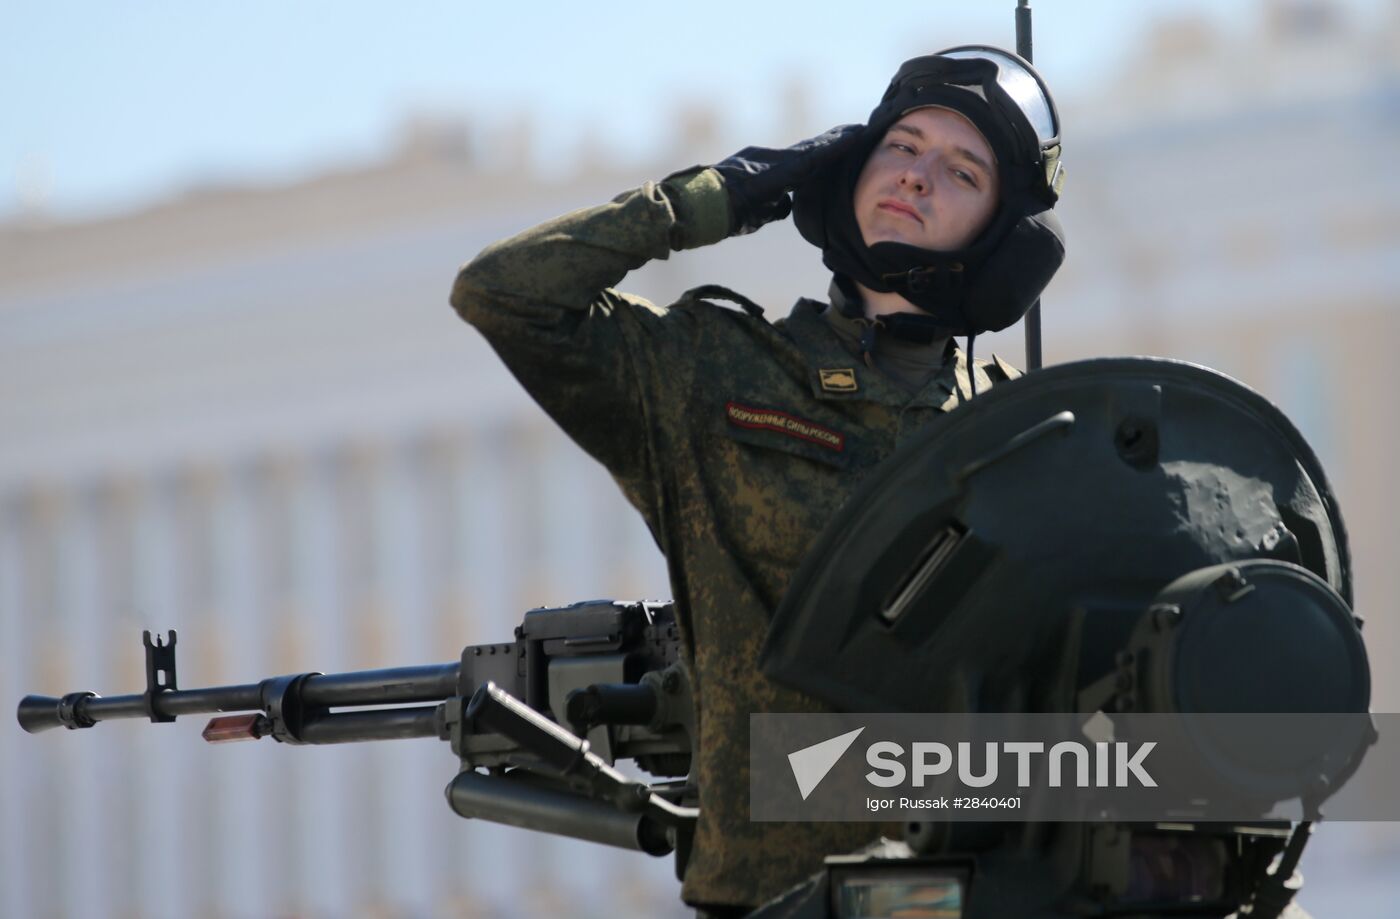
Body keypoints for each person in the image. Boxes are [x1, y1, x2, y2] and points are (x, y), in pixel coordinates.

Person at [451, 46, 1066, 915]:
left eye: (962, 171)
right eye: (901, 145)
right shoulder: (713, 371)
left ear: (1001, 236)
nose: (918, 177)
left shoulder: (1031, 432)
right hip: (776, 897)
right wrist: (714, 198)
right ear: (846, 167)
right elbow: (502, 294)